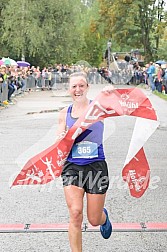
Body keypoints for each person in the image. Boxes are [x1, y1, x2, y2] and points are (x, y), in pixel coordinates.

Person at [57, 71, 113, 252]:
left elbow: (120, 105)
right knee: (75, 213)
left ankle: (103, 217)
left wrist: (110, 92)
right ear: (69, 90)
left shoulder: (98, 108)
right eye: (74, 86)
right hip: (72, 166)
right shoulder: (64, 113)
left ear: (87, 88)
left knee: (94, 220)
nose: (78, 89)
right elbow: (59, 138)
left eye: (81, 85)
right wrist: (62, 137)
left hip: (96, 166)